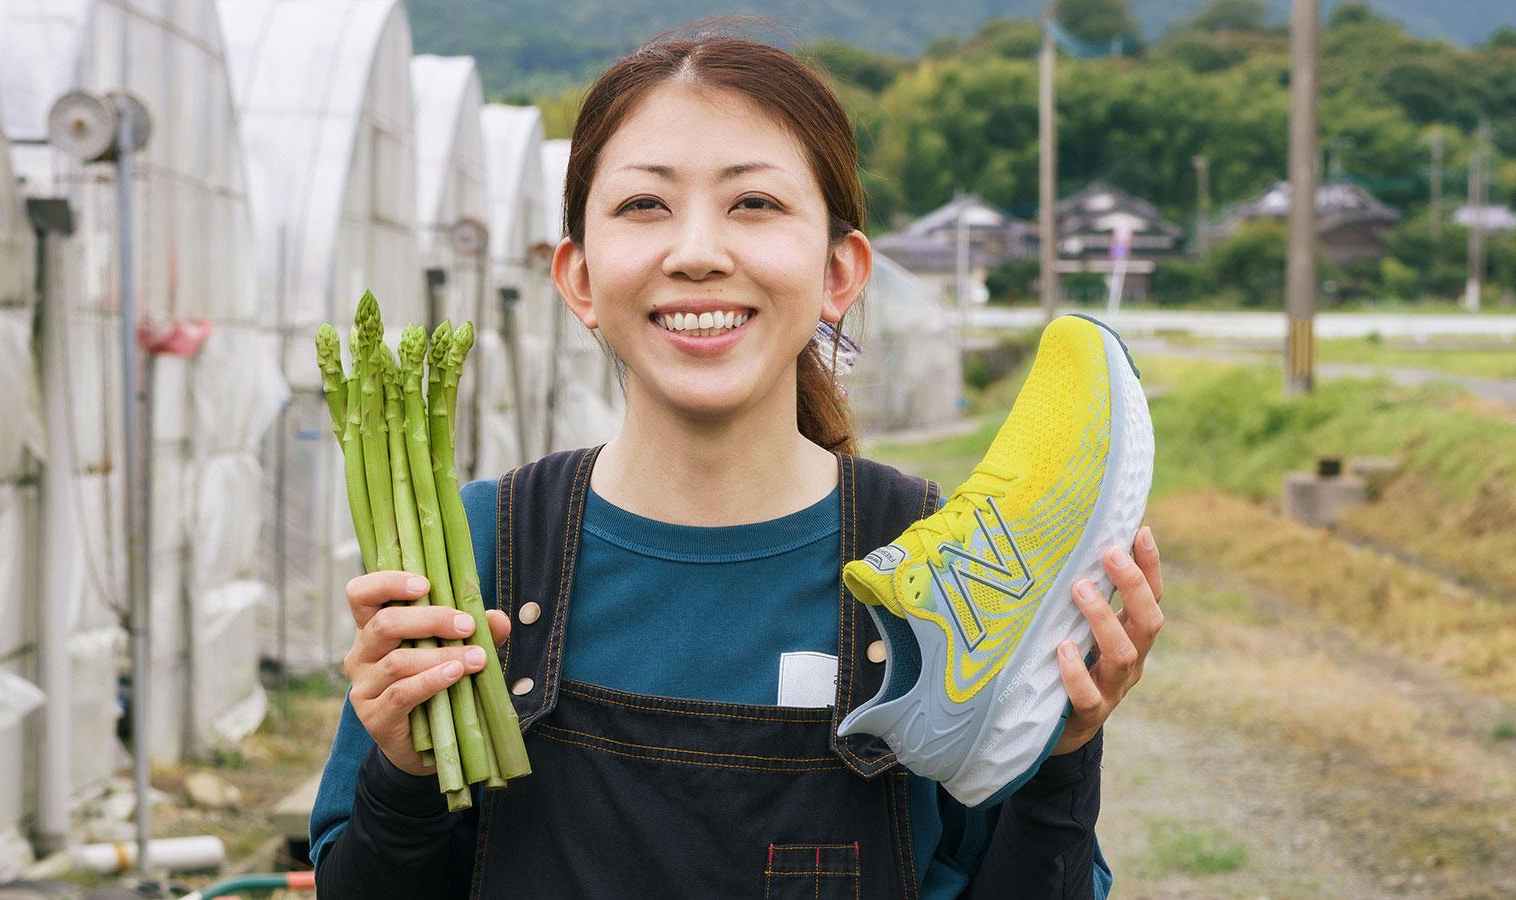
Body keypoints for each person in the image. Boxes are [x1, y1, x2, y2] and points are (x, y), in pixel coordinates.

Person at [310, 30, 1164, 899]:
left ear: (840, 272)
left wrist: (1061, 755)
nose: (697, 251)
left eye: (753, 203)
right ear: (577, 277)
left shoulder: (947, 565)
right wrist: (401, 778)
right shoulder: (478, 551)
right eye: (645, 205)